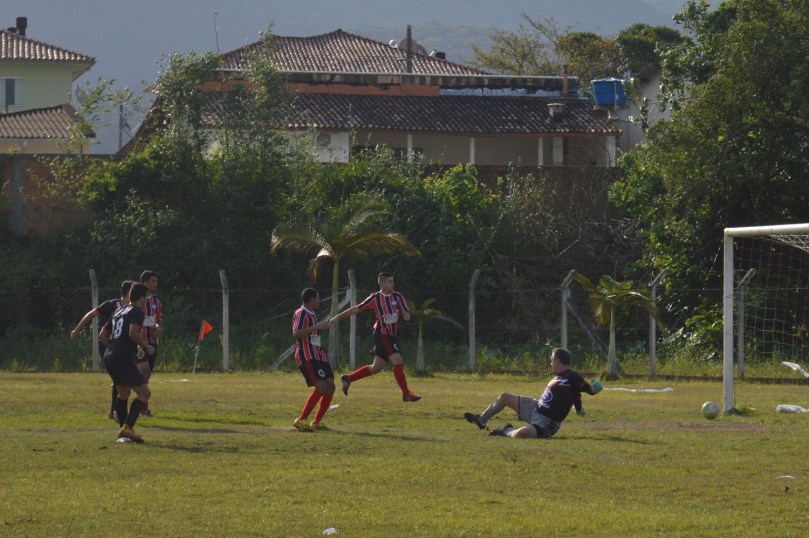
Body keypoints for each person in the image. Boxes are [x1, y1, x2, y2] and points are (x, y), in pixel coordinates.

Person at [464, 347, 603, 438]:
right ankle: (481, 420)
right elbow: (575, 397)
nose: (550, 363)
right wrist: (578, 408)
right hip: (535, 408)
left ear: (558, 361)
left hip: (548, 422)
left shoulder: (572, 376)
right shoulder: (558, 377)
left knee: (522, 434)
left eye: (551, 360)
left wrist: (594, 389)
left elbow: (587, 391)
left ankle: (505, 431)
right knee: (504, 397)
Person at [329, 272, 420, 402]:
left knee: (377, 367)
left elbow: (406, 311)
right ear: (381, 283)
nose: (392, 284)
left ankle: (348, 378)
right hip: (382, 334)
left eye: (393, 281)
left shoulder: (397, 296)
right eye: (389, 281)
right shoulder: (375, 298)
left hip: (391, 335)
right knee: (398, 360)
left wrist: (406, 315)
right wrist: (337, 317)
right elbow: (357, 308)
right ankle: (406, 393)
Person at [71, 279, 135, 420]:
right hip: (108, 345)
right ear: (129, 292)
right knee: (118, 375)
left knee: (120, 378)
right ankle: (116, 411)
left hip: (125, 348)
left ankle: (115, 410)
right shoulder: (112, 305)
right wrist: (77, 330)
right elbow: (91, 314)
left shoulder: (135, 308)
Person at [100, 282, 155, 443]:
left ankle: (124, 432)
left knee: (123, 393)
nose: (147, 301)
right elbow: (132, 332)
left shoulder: (119, 311)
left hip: (109, 356)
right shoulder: (137, 311)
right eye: (146, 297)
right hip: (122, 357)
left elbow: (103, 334)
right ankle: (128, 428)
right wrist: (145, 347)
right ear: (141, 298)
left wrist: (113, 346)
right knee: (145, 393)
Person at [291, 288, 335, 431]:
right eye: (317, 298)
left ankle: (316, 422)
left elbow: (312, 332)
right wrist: (316, 326)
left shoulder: (312, 314)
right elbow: (296, 333)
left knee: (330, 386)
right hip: (307, 354)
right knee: (321, 387)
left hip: (318, 354)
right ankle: (301, 420)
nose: (319, 300)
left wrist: (320, 327)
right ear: (311, 300)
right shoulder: (301, 313)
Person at [137, 270, 163, 416]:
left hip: (152, 343)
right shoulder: (134, 300)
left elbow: (158, 321)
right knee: (143, 372)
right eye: (153, 281)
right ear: (145, 282)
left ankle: (142, 406)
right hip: (138, 343)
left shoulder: (156, 302)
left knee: (146, 375)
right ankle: (142, 408)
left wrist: (159, 328)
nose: (155, 284)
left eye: (156, 281)